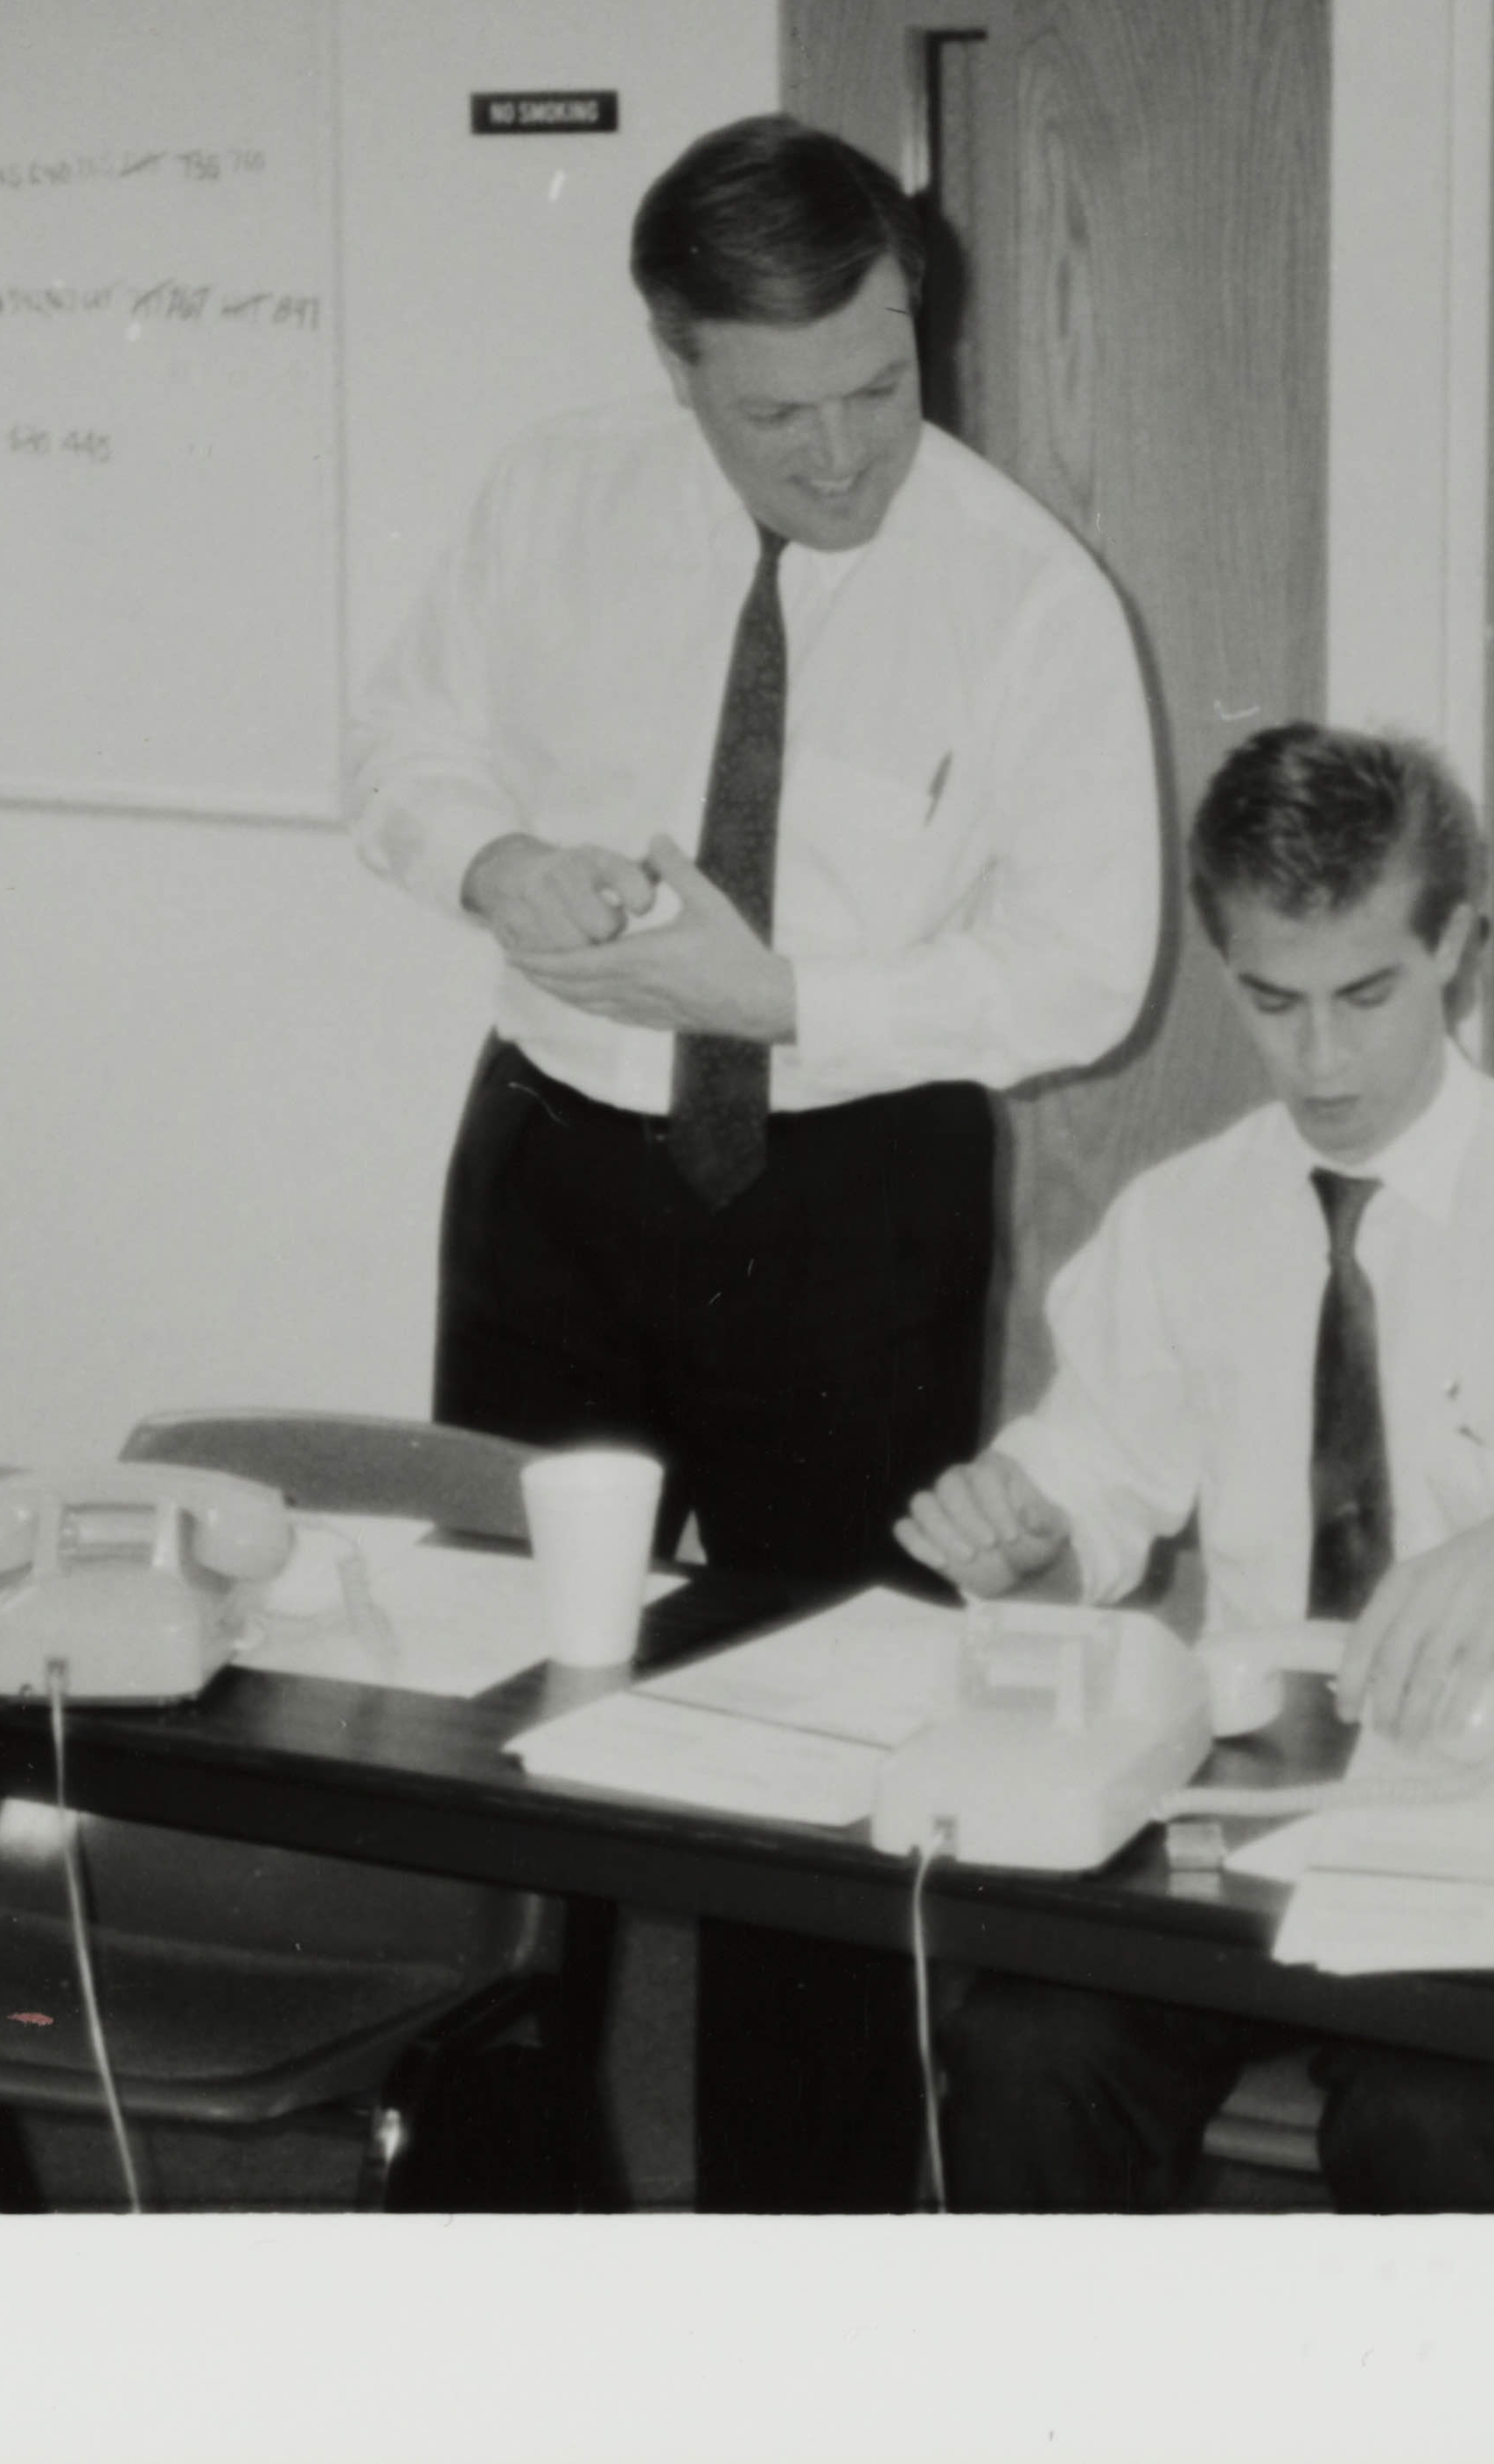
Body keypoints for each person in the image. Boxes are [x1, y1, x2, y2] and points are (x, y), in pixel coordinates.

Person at [348, 111, 1161, 2205]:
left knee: (836, 1743)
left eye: (879, 386)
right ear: (676, 362)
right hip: (557, 1180)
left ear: (916, 316)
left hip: (851, 1201)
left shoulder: (1025, 592)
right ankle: (496, 2232)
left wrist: (786, 1000)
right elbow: (403, 745)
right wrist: (491, 860)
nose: (841, 455)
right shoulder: (554, 495)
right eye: (774, 413)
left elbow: (1089, 971)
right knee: (506, 1703)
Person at [897, 722, 1494, 2209]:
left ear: (1457, 947)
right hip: (1246, 1830)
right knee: (1027, 2049)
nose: (1321, 1058)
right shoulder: (1183, 1219)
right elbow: (1086, 1492)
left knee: (1432, 2120)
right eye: (1272, 1001)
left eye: (1367, 994)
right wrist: (1023, 1536)